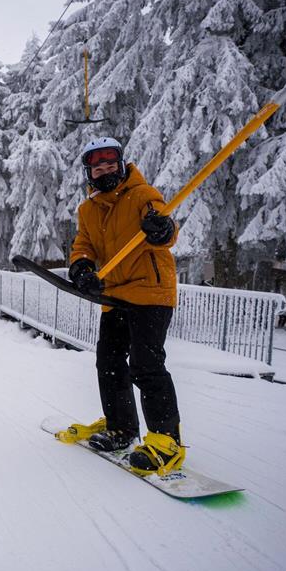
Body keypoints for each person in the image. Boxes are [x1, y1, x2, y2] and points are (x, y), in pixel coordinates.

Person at [67, 137, 184, 476]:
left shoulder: (141, 193)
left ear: (120, 164)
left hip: (150, 292)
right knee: (109, 362)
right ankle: (122, 428)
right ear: (89, 172)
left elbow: (165, 226)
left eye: (109, 163)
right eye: (96, 165)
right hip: (114, 295)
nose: (104, 169)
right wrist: (83, 268)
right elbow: (83, 244)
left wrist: (161, 229)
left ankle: (166, 441)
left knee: (146, 364)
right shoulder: (88, 209)